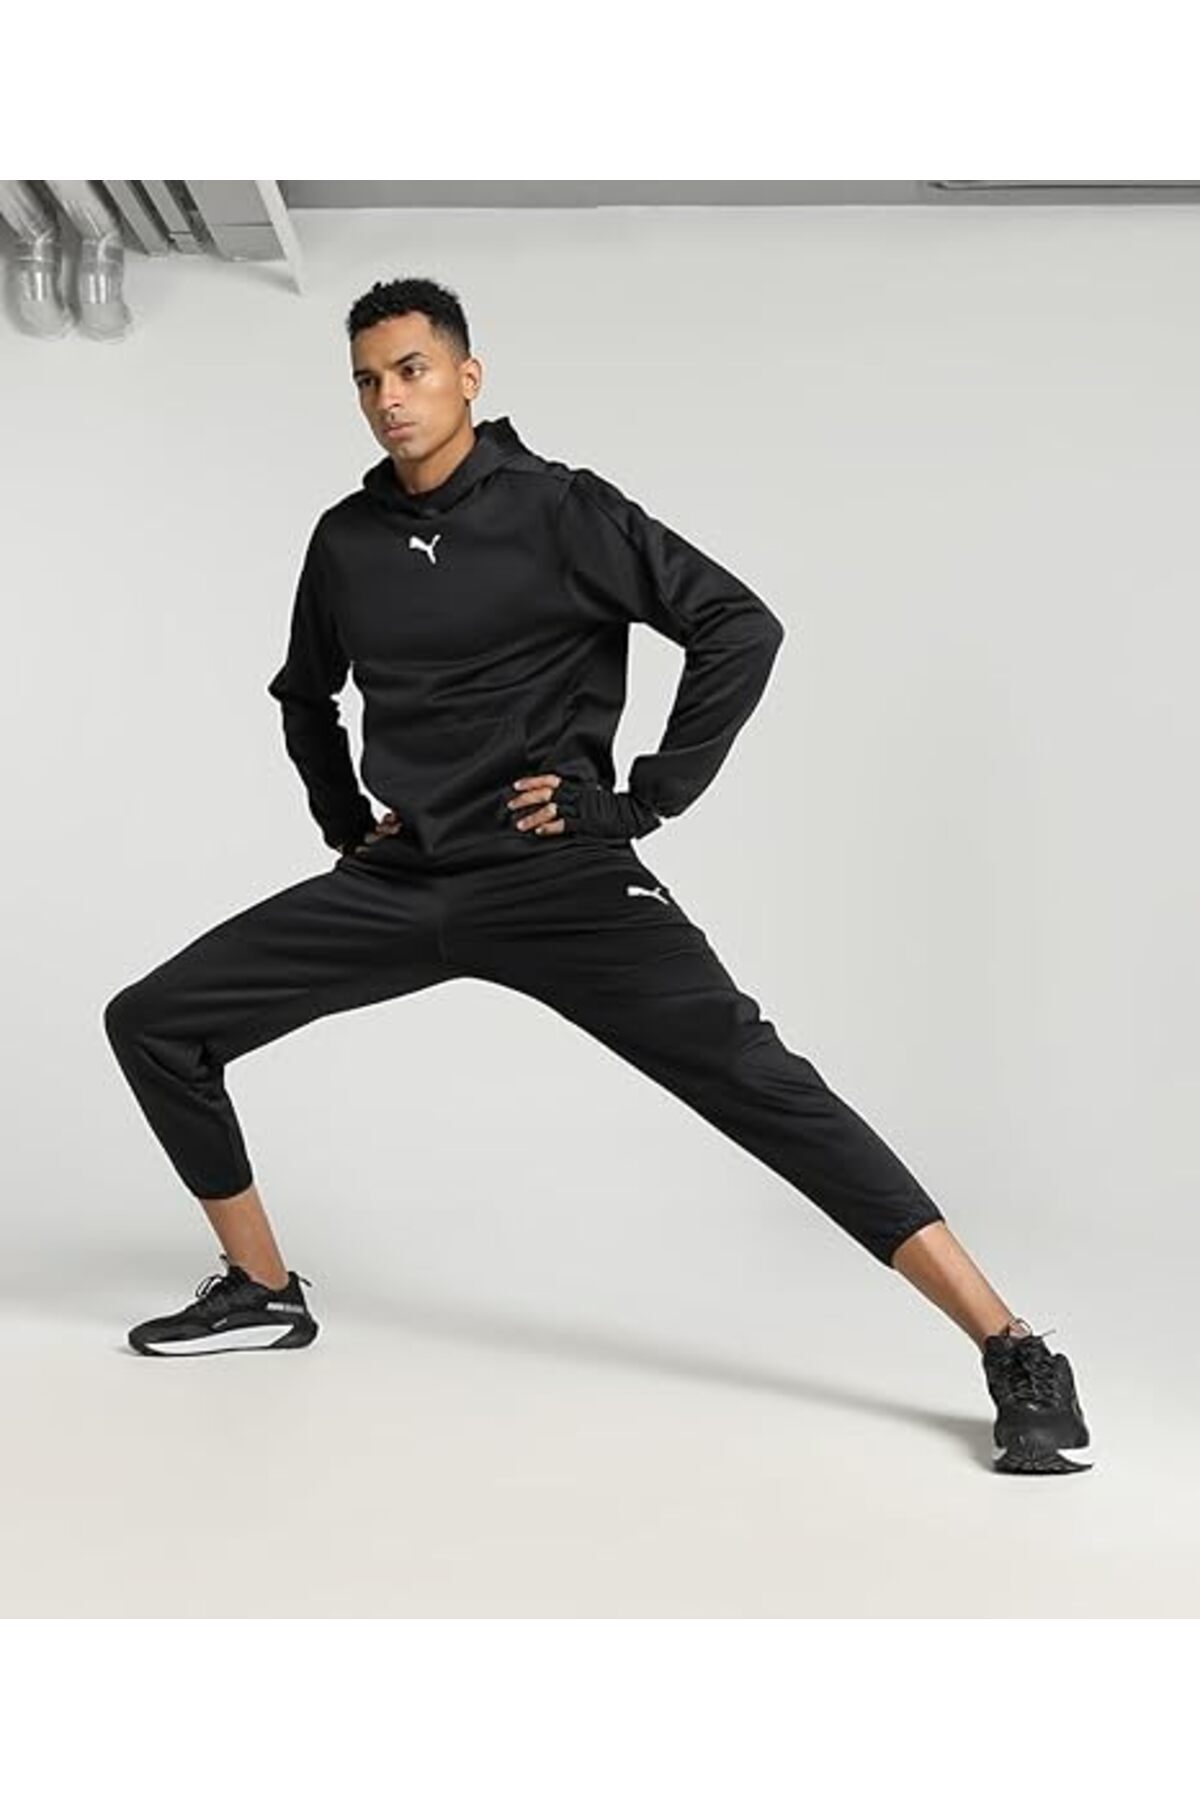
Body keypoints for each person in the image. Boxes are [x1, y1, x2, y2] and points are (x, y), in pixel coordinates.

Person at [103, 276, 1092, 1477]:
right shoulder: (345, 539)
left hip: (559, 880)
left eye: (411, 370)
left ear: (468, 376)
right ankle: (263, 1289)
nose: (389, 399)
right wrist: (344, 826)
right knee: (154, 1023)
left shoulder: (563, 509)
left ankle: (1012, 1345)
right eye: (367, 380)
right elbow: (303, 695)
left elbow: (739, 626)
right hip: (406, 880)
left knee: (763, 1085)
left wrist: (641, 800)